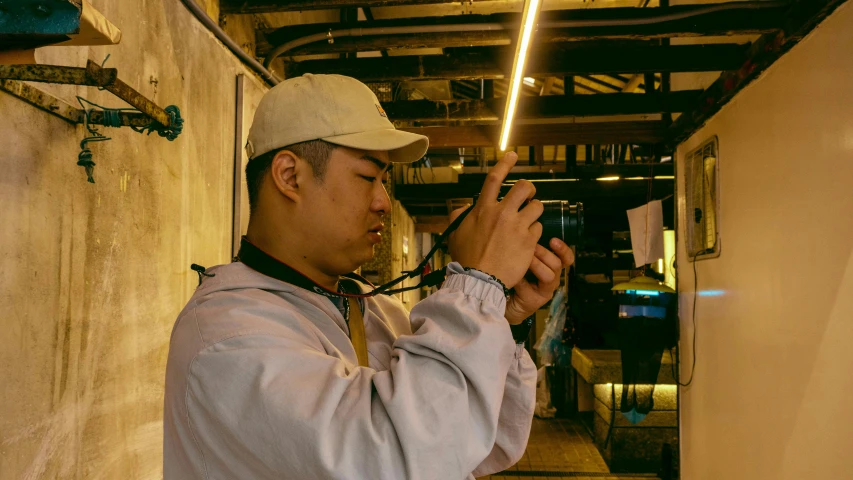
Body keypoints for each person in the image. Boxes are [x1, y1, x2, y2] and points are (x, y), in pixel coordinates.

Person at [163, 74, 575, 480]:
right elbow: (396, 460)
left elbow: (479, 446)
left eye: (384, 181)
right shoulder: (226, 338)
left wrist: (504, 319)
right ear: (290, 176)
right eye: (367, 177)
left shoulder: (374, 310)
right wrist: (477, 286)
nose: (383, 202)